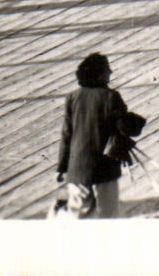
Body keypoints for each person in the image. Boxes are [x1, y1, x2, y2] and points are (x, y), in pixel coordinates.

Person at [56, 53, 130, 219]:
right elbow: (125, 128)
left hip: (77, 168)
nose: (111, 72)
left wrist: (62, 167)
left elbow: (67, 134)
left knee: (78, 214)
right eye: (107, 69)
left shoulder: (72, 97)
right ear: (99, 74)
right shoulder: (111, 97)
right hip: (105, 167)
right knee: (108, 213)